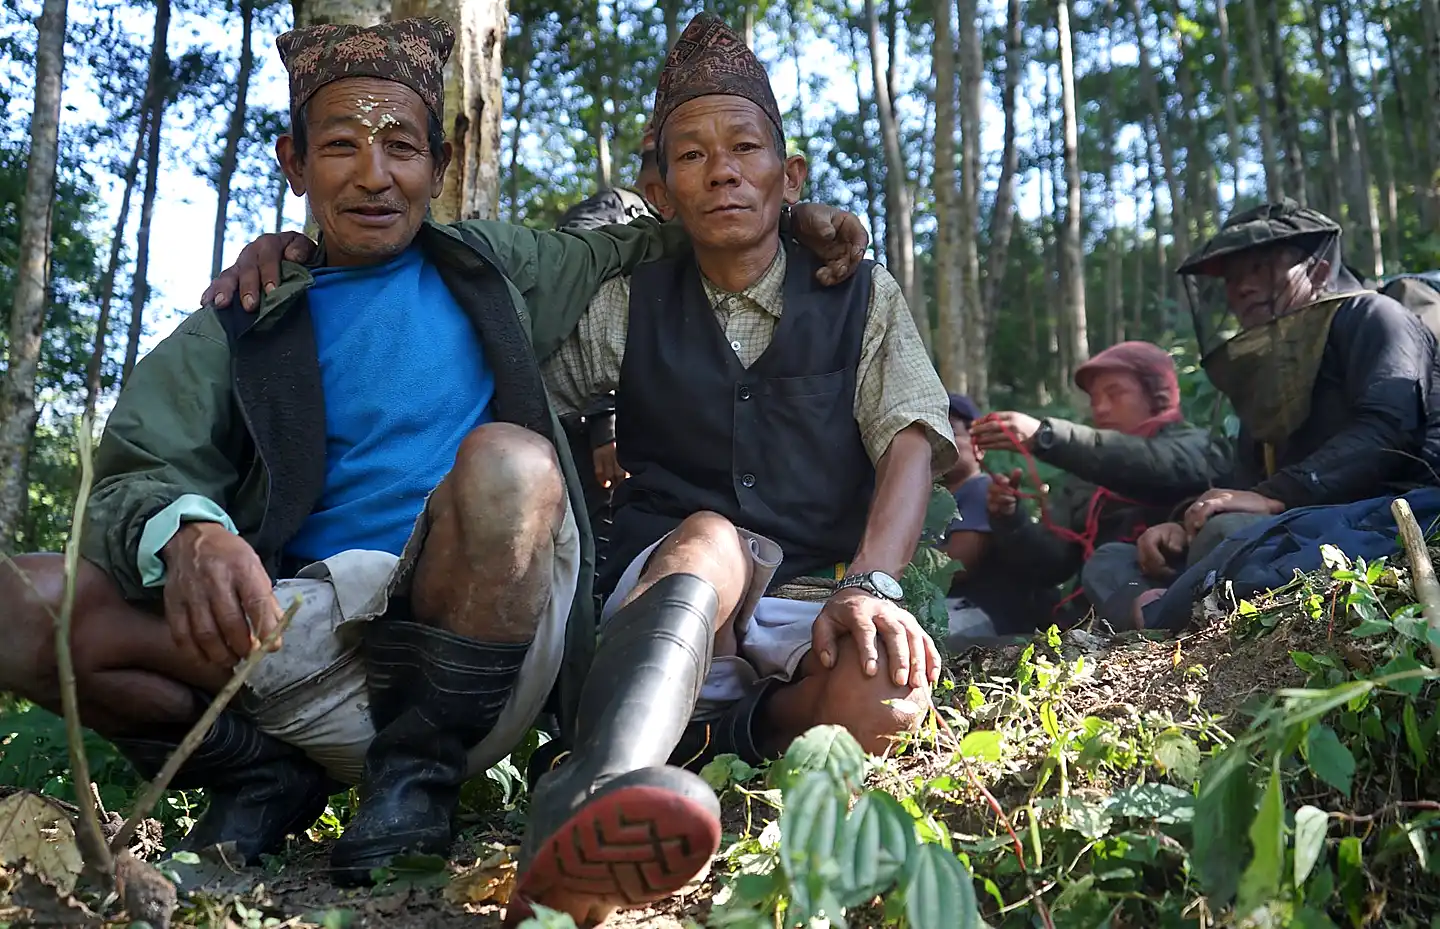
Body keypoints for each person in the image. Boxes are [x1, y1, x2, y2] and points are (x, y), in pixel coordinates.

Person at [0, 16, 870, 892]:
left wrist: (792, 213)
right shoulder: (246, 314)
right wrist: (188, 531)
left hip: (478, 651)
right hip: (295, 634)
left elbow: (668, 223)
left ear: (441, 164)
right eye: (341, 146)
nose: (375, 176)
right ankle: (260, 774)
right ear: (294, 163)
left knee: (512, 461)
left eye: (402, 147)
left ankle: (415, 780)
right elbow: (134, 472)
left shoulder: (500, 268)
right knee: (19, 602)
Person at [519, 14, 953, 924]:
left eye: (746, 147)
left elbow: (910, 434)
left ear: (789, 176)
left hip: (809, 598)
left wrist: (873, 583)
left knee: (890, 695)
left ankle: (709, 749)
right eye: (692, 156)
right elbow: (529, 405)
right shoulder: (625, 305)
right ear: (661, 190)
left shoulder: (861, 294)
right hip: (668, 596)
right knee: (715, 538)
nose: (722, 171)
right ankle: (594, 793)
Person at [1087, 200, 1440, 627]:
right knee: (1110, 559)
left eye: (1260, 268)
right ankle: (1161, 614)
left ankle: (1167, 615)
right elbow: (1244, 482)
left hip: (1376, 519)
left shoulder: (1373, 316)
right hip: (1282, 526)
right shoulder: (1271, 365)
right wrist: (1182, 525)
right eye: (1233, 278)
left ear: (1319, 271)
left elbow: (1388, 429)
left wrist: (1277, 496)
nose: (1242, 288)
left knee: (1226, 534)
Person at [968, 341, 1228, 624]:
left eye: (1114, 393)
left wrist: (1047, 436)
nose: (1100, 408)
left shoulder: (1196, 445)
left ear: (1160, 394)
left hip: (1181, 600)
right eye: (1093, 399)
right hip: (1090, 620)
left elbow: (1155, 463)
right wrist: (1010, 519)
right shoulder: (1084, 474)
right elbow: (1052, 565)